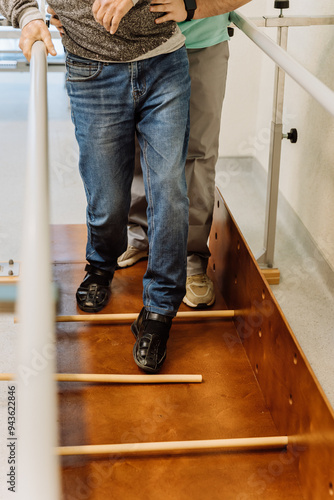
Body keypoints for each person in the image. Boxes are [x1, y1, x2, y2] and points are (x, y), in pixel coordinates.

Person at [0, 0, 192, 374]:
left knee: (169, 189)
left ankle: (159, 310)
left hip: (163, 61)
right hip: (92, 68)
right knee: (107, 197)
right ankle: (101, 266)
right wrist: (29, 17)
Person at [117, 0, 251, 309]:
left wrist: (190, 7)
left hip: (199, 43)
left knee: (197, 153)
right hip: (136, 45)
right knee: (137, 144)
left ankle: (190, 258)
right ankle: (141, 234)